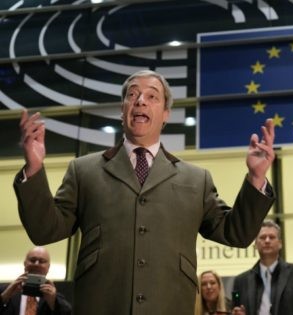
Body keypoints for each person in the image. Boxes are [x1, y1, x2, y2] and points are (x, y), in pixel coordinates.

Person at [14, 70, 276, 314]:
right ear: (122, 109)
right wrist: (34, 170)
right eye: (132, 95)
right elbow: (45, 230)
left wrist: (256, 178)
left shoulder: (197, 179)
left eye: (152, 96)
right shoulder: (84, 171)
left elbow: (236, 233)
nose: (140, 101)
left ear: (165, 114)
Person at [232, 219, 293, 315]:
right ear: (255, 244)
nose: (267, 241)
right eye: (262, 237)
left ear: (280, 243)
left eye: (271, 237)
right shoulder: (241, 281)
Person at [0, 246, 72, 315]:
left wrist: (53, 302)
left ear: (48, 267)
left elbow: (67, 312)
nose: (36, 264)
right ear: (25, 264)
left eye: (42, 261)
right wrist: (3, 297)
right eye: (32, 260)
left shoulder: (54, 295)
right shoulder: (5, 291)